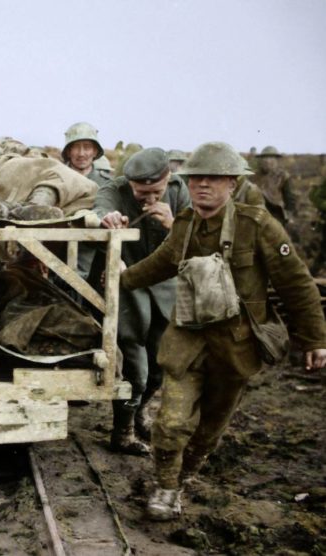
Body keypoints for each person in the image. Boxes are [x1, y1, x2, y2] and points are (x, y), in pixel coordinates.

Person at [118, 141, 326, 520]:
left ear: (232, 183)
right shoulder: (184, 224)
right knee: (170, 422)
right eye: (196, 178)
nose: (202, 186)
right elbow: (162, 262)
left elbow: (296, 282)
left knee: (209, 432)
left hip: (236, 347)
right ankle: (165, 487)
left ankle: (183, 481)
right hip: (187, 340)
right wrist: (123, 279)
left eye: (213, 179)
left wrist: (314, 339)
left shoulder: (257, 225)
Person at [94, 148, 191, 455]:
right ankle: (122, 431)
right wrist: (106, 220)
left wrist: (173, 224)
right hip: (128, 281)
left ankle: (140, 413)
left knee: (160, 362)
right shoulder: (115, 188)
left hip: (164, 285)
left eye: (155, 192)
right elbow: (100, 209)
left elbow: (196, 234)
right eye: (141, 193)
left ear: (169, 179)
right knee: (135, 360)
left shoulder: (178, 191)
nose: (148, 199)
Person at [254, 145, 296, 226]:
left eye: (270, 158)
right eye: (264, 158)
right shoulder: (253, 176)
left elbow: (289, 198)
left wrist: (289, 216)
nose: (267, 161)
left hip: (276, 213)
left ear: (276, 160)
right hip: (256, 212)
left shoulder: (283, 176)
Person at [62, 121, 110, 186]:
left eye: (87, 147)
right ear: (68, 152)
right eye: (76, 147)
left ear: (95, 152)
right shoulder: (57, 180)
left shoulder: (107, 183)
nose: (81, 154)